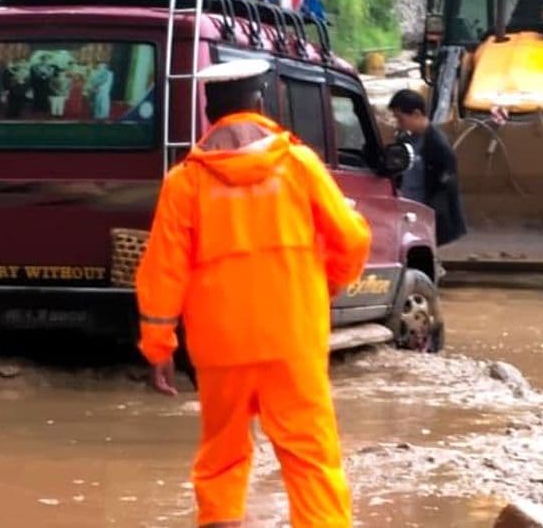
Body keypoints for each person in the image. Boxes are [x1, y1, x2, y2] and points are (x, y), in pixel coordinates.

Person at [135, 58, 371, 528]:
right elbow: (352, 239)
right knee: (310, 455)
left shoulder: (185, 181)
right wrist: (322, 286)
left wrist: (159, 345)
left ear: (208, 108)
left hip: (220, 345)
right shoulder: (299, 165)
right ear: (261, 102)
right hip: (292, 338)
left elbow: (163, 268)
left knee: (222, 453)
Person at [388, 89, 467, 246]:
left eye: (401, 118)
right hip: (407, 211)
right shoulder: (405, 140)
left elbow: (444, 186)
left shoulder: (438, 146)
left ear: (416, 114)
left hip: (424, 215)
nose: (399, 124)